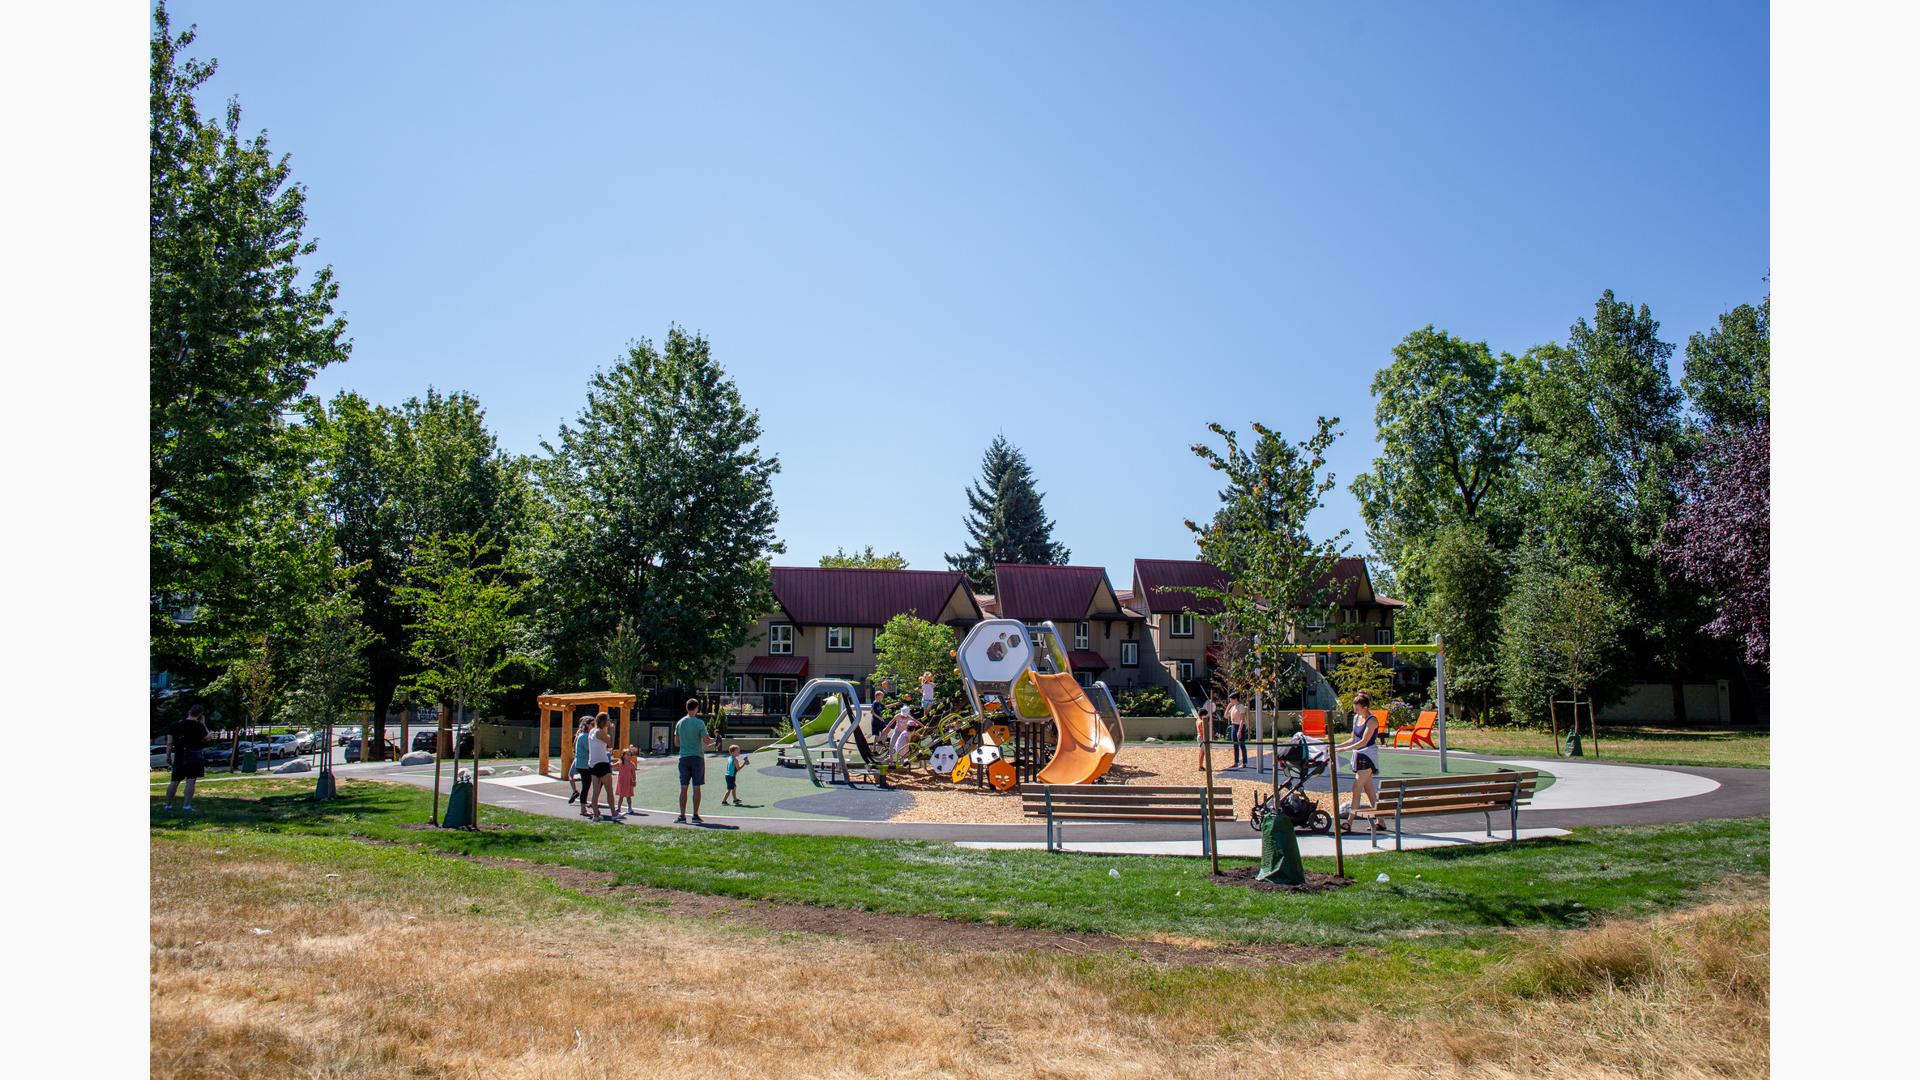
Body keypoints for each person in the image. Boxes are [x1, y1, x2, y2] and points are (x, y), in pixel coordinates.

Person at [1332, 692, 1384, 829]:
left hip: (1367, 757)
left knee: (1356, 788)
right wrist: (1337, 746)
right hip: (1358, 756)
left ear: (1365, 707)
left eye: (1357, 707)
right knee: (1369, 791)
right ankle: (1381, 821)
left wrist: (1343, 750)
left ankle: (1349, 821)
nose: (1355, 710)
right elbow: (1353, 739)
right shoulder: (1356, 718)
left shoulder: (1372, 721)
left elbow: (1364, 741)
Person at [162, 703, 210, 811]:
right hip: (194, 754)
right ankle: (186, 805)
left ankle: (168, 805)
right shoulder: (199, 726)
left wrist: (168, 756)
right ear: (200, 715)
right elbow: (208, 738)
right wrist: (203, 723)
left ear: (189, 712)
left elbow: (169, 743)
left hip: (179, 754)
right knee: (191, 780)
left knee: (174, 781)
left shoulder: (175, 725)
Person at [674, 699, 713, 824]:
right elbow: (706, 741)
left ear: (686, 707)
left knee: (683, 787)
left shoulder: (679, 723)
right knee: (696, 787)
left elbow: (676, 743)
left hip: (683, 757)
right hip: (697, 757)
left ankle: (682, 816)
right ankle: (695, 815)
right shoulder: (700, 723)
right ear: (697, 708)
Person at [586, 715, 616, 821]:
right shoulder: (600, 732)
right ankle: (614, 813)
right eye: (607, 720)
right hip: (602, 763)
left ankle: (596, 815)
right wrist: (612, 731)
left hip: (592, 763)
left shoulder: (592, 731)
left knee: (595, 791)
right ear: (603, 721)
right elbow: (610, 744)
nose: (609, 721)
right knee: (609, 790)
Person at [570, 718, 594, 815]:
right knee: (586, 786)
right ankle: (583, 809)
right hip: (584, 765)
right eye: (593, 724)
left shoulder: (583, 735)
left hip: (582, 764)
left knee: (587, 785)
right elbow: (590, 750)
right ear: (588, 725)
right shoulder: (585, 737)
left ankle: (586, 806)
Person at [1226, 694, 1250, 769]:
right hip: (1233, 726)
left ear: (1235, 699)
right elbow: (1226, 716)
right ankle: (1236, 762)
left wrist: (1239, 730)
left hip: (1240, 726)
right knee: (1235, 745)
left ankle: (1244, 762)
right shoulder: (1233, 707)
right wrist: (1228, 706)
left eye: (1231, 699)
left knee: (1241, 744)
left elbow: (1242, 719)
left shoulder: (1241, 706)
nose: (1230, 701)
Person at [614, 746, 639, 816]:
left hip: (628, 782)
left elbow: (633, 774)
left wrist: (634, 781)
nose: (628, 756)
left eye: (629, 755)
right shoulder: (620, 763)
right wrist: (608, 764)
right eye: (627, 754)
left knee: (628, 796)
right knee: (621, 796)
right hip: (621, 782)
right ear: (623, 755)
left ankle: (630, 808)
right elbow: (613, 765)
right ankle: (618, 808)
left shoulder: (632, 764)